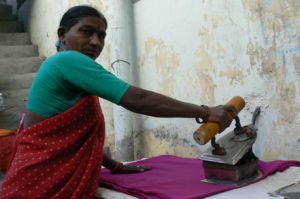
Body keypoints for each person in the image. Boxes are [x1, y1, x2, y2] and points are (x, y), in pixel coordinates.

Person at [0, 5, 236, 199]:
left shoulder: (65, 68)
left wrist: (113, 165)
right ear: (63, 34)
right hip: (41, 183)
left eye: (101, 35)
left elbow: (76, 137)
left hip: (37, 178)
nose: (95, 42)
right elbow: (137, 98)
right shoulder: (67, 61)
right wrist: (206, 112)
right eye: (86, 32)